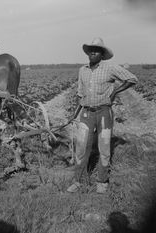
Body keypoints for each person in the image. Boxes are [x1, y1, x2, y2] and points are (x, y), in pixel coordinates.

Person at [67, 37, 138, 193]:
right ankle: (78, 181)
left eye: (97, 50)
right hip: (86, 113)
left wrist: (115, 92)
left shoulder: (110, 68)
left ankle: (102, 181)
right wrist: (74, 114)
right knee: (81, 148)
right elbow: (80, 94)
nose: (93, 52)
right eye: (91, 50)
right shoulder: (82, 70)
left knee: (104, 148)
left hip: (104, 112)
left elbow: (132, 79)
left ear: (102, 54)